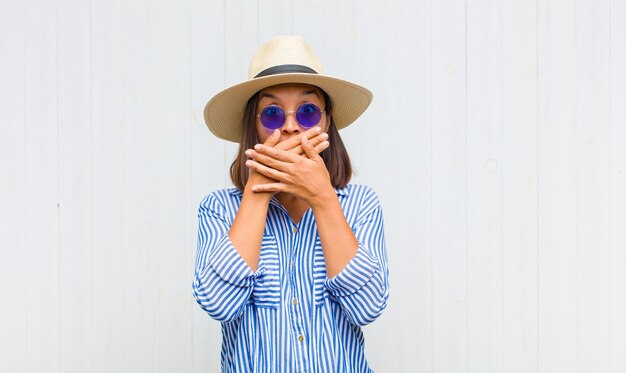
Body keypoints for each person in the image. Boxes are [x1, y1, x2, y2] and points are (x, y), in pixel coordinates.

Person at [193, 35, 389, 372]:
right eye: (271, 114)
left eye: (308, 112)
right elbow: (218, 303)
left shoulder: (360, 204)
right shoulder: (219, 209)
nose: (289, 127)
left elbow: (368, 307)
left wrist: (323, 198)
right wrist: (258, 189)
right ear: (251, 129)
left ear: (327, 122)